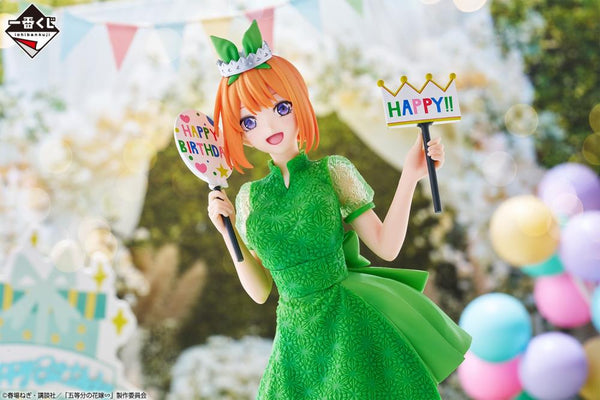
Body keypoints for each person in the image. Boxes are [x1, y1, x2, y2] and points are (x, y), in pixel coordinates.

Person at [207, 20, 471, 399]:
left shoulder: (332, 172)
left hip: (349, 324)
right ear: (241, 133)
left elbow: (386, 246)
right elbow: (260, 291)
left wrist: (410, 175)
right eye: (249, 120)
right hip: (295, 338)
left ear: (299, 104)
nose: (269, 125)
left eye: (281, 107)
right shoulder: (250, 198)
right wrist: (227, 231)